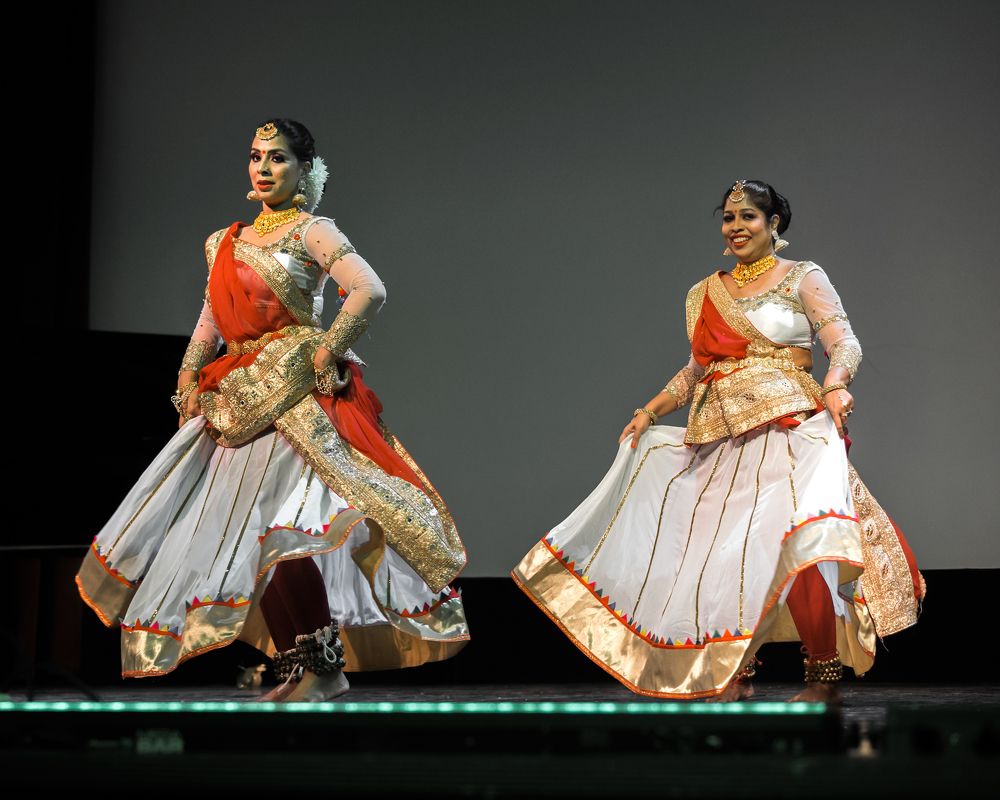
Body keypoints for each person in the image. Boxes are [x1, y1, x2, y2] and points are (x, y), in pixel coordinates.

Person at [77, 119, 469, 701]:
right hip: (238, 403)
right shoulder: (223, 241)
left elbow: (369, 289)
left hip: (295, 402)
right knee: (256, 541)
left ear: (305, 170)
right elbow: (210, 321)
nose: (263, 168)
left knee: (287, 535)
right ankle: (298, 668)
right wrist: (187, 380)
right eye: (256, 156)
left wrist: (328, 349)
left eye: (278, 158)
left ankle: (326, 667)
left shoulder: (313, 230)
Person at [512, 179, 923, 702]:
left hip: (785, 430)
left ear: (774, 224)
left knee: (799, 551)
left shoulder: (803, 276)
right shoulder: (704, 292)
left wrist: (836, 385)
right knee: (721, 559)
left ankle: (822, 681)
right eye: (729, 218)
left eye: (748, 216)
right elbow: (695, 371)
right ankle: (733, 674)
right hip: (718, 438)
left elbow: (844, 343)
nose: (736, 227)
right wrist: (649, 411)